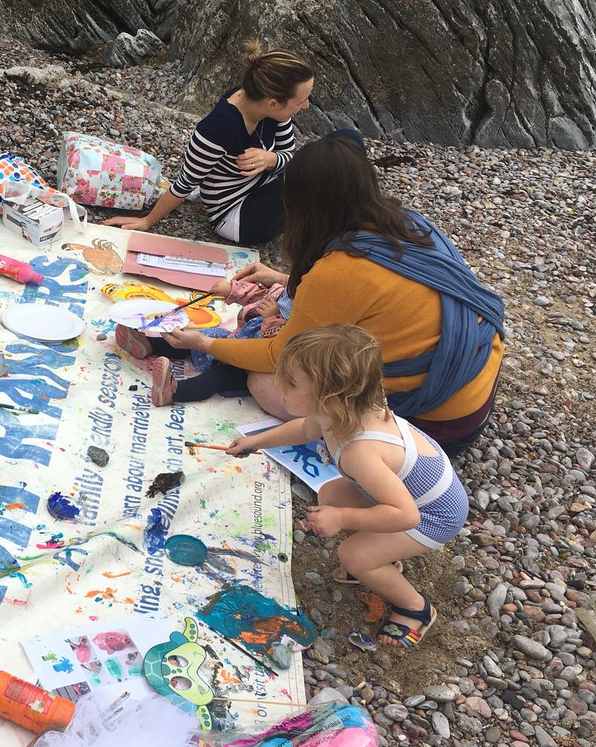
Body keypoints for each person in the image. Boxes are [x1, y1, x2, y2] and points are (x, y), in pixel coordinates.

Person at [119, 136, 504, 455]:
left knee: (265, 381)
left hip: (431, 426)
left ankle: (175, 364)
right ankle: (160, 346)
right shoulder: (409, 223)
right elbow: (371, 293)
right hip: (474, 390)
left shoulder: (338, 270)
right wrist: (282, 278)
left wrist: (205, 342)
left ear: (304, 207)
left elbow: (278, 355)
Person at [228, 325, 469, 647]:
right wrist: (256, 441)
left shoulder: (360, 451)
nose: (279, 385)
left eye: (291, 382)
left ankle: (415, 607)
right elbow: (304, 430)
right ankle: (381, 557)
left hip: (433, 516)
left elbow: (406, 515)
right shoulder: (338, 412)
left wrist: (342, 518)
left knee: (352, 555)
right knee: (331, 493)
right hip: (407, 497)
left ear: (330, 395)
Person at [104, 41, 323, 244]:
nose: (306, 106)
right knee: (313, 176)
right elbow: (186, 184)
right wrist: (147, 221)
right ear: (273, 103)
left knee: (337, 149)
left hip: (265, 185)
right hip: (235, 214)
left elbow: (288, 155)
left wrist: (271, 159)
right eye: (301, 101)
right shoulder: (216, 129)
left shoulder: (273, 109)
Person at [114, 276, 291, 403]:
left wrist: (271, 319)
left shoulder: (294, 320)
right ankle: (148, 345)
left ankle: (174, 392)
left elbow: (278, 350)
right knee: (201, 336)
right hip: (236, 340)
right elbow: (261, 294)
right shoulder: (290, 290)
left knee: (219, 376)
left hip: (250, 366)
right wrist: (232, 290)